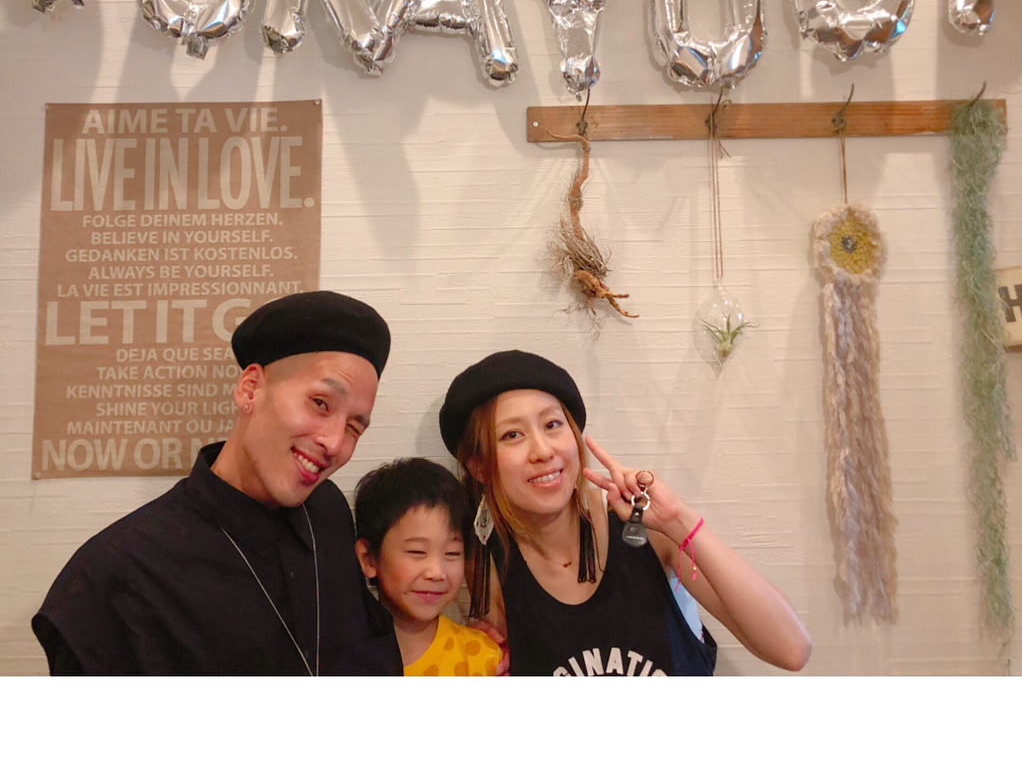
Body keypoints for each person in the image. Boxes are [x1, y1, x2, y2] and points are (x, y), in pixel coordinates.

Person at [32, 290, 402, 675]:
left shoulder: (328, 511)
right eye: (320, 403)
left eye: (354, 427)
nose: (334, 443)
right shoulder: (112, 577)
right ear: (250, 389)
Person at [439, 349, 813, 676]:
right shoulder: (487, 564)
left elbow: (791, 650)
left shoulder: (643, 527)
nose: (543, 451)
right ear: (480, 467)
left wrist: (678, 521)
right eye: (512, 435)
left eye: (552, 425)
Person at [353, 458, 501, 676]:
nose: (436, 572)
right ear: (368, 559)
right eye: (417, 552)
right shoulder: (339, 659)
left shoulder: (483, 659)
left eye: (452, 553)